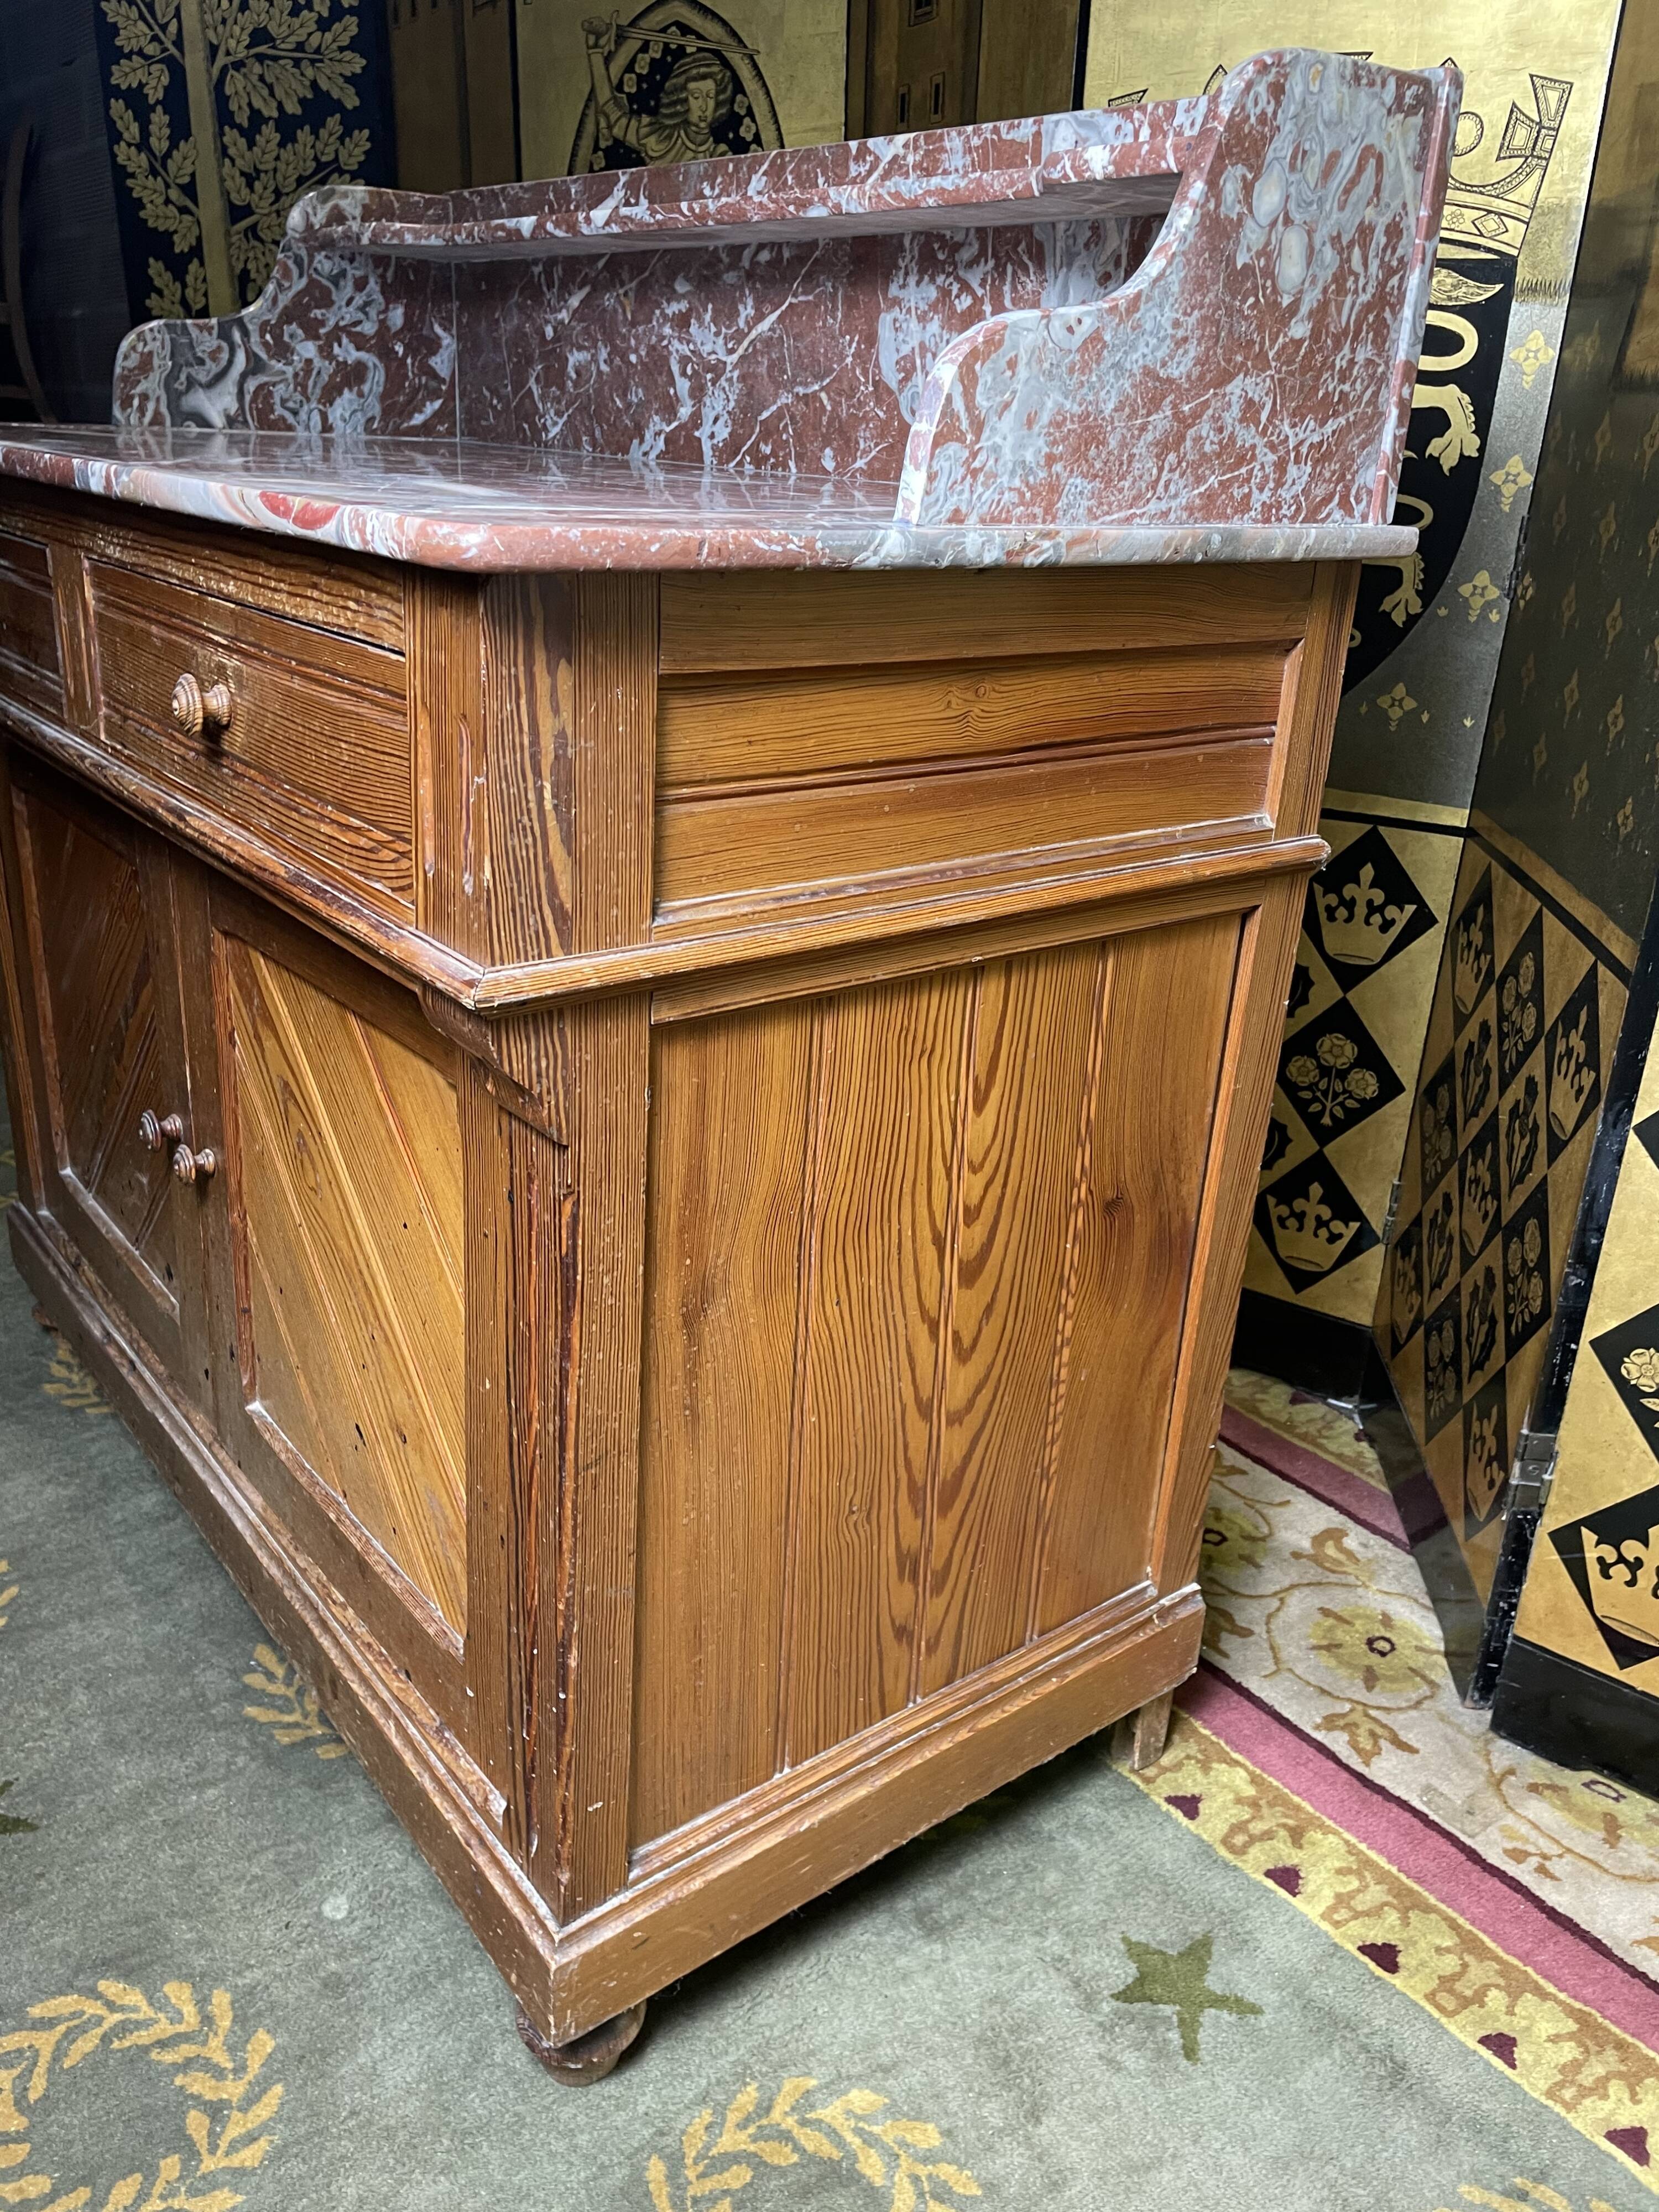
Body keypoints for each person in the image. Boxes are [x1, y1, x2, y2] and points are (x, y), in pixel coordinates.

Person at [583, 17, 735, 164]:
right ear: (682, 99)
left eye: (710, 96)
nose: (704, 106)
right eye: (696, 97)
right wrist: (595, 52)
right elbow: (611, 113)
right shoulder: (659, 138)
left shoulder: (719, 155)